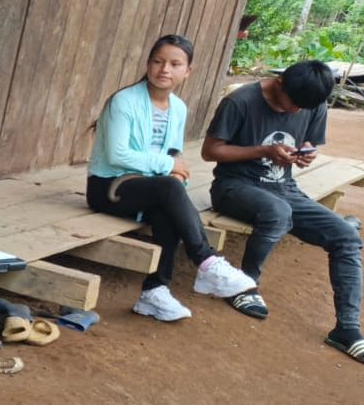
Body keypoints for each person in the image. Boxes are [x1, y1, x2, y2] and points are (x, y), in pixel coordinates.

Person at [202, 59, 364, 363]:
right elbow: (210, 151)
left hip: (285, 189)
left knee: (346, 236)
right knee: (278, 212)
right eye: (291, 104)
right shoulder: (240, 101)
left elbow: (309, 141)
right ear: (279, 83)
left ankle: (346, 328)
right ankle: (244, 285)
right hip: (233, 187)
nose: (295, 111)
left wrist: (306, 153)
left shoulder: (312, 102)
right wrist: (263, 151)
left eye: (301, 108)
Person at [85, 34, 255, 321]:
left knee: (169, 205)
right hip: (109, 187)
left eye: (175, 64)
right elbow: (117, 155)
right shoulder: (124, 101)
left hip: (151, 187)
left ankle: (154, 292)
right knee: (168, 189)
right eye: (158, 61)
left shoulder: (178, 108)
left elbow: (173, 152)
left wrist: (175, 173)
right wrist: (169, 167)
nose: (164, 69)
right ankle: (206, 261)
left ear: (187, 71)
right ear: (148, 64)